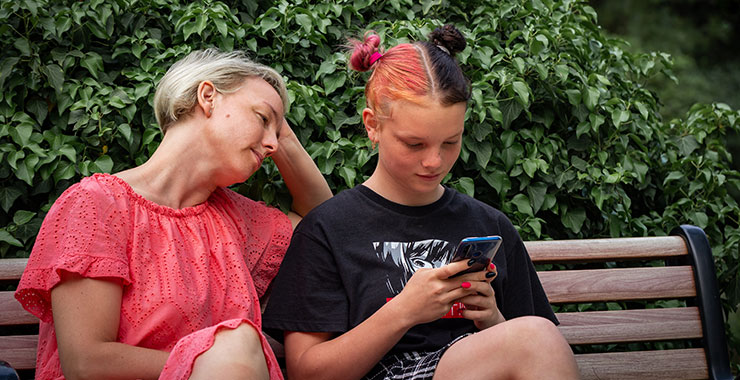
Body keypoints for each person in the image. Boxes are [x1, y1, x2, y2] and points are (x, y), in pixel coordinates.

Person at [262, 25, 580, 380]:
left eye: (450, 142)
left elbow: (534, 349)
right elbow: (306, 373)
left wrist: (490, 318)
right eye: (414, 144)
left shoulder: (490, 225)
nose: (435, 161)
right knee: (533, 338)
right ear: (372, 126)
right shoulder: (327, 229)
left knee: (534, 337)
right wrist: (403, 311)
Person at [14, 48, 332, 380]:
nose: (272, 145)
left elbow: (322, 221)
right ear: (208, 97)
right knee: (237, 344)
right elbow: (87, 363)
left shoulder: (235, 220)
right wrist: (214, 366)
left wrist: (285, 135)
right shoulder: (98, 205)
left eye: (277, 134)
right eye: (263, 119)